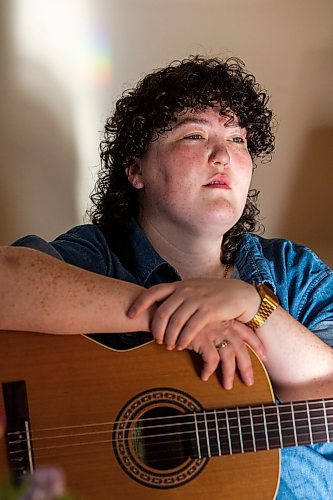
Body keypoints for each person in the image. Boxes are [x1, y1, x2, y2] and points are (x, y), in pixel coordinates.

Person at [0, 55, 332, 498]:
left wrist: (253, 305)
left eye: (238, 139)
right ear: (136, 169)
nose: (223, 156)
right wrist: (177, 317)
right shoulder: (99, 257)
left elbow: (322, 396)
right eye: (194, 134)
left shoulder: (294, 272)